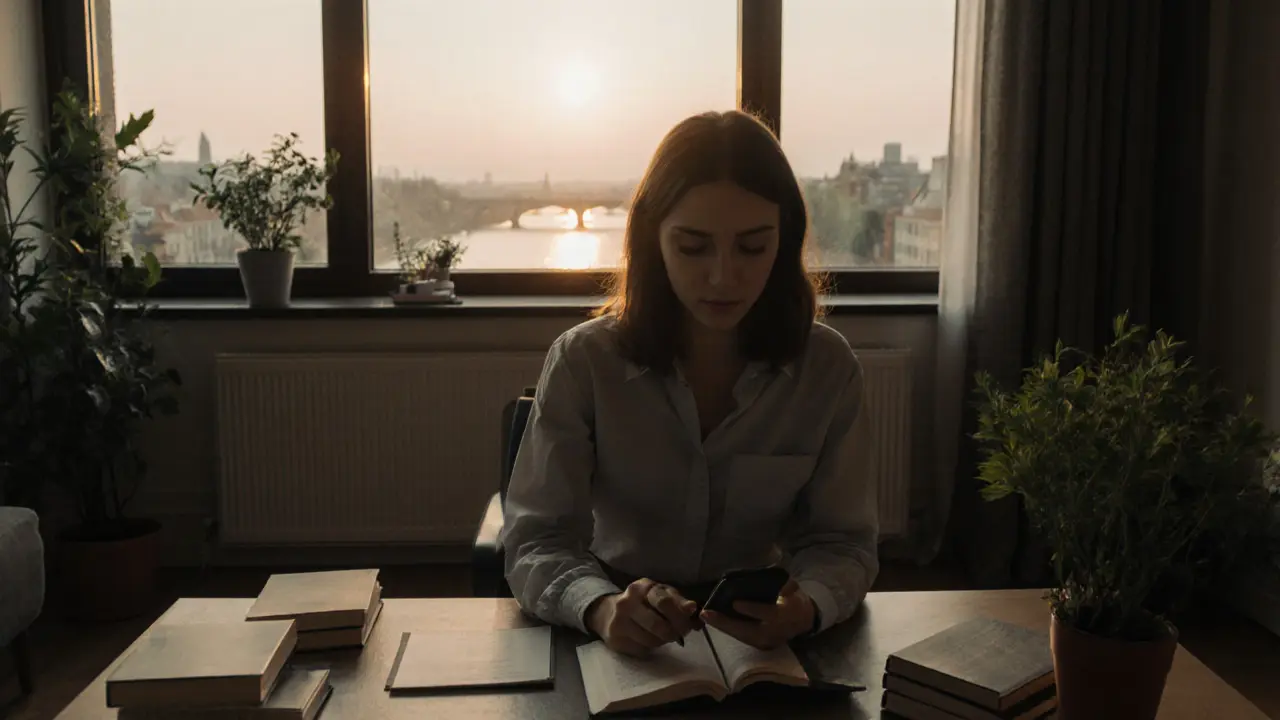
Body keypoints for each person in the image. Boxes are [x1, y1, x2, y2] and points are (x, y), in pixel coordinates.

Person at [502, 110, 878, 657]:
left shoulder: (827, 368)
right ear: (653, 242)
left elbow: (843, 542)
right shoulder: (585, 361)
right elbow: (537, 539)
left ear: (785, 240)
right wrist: (600, 606)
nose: (723, 276)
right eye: (693, 247)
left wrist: (809, 605)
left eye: (753, 247)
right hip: (619, 617)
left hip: (761, 631)